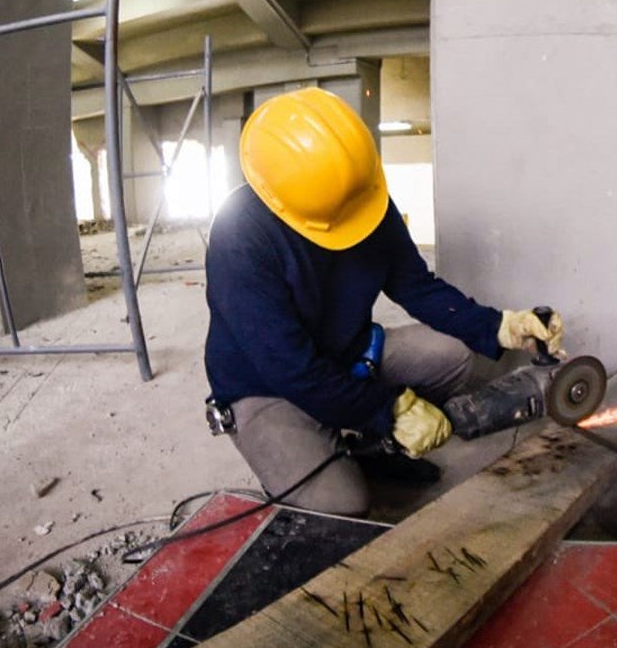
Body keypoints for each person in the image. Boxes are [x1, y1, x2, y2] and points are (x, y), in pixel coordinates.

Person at [203, 87, 563, 516]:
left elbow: (417, 286)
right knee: (340, 502)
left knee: (458, 355)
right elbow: (290, 369)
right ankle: (326, 446)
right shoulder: (238, 238)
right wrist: (387, 409)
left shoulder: (359, 199)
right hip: (267, 387)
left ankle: (366, 445)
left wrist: (498, 325)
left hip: (346, 351)